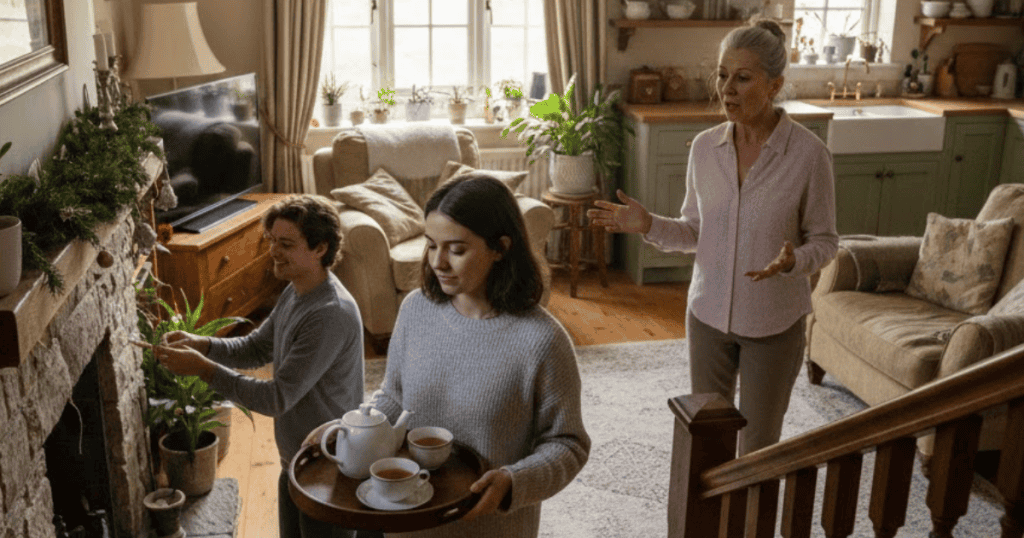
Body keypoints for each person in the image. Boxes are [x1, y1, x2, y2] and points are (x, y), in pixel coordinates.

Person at [588, 19, 838, 456]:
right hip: (706, 318)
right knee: (707, 440)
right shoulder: (705, 148)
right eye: (722, 75)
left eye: (743, 78)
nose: (728, 89)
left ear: (775, 84)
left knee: (757, 448)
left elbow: (826, 241)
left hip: (774, 324)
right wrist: (648, 225)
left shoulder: (809, 155)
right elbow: (694, 232)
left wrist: (793, 261)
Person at [373, 173, 590, 537]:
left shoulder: (542, 340)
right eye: (430, 245)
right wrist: (351, 430)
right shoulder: (415, 310)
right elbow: (394, 397)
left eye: (456, 250)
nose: (438, 262)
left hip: (491, 528)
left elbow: (568, 444)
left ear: (500, 248)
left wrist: (514, 481)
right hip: (409, 520)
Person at [154, 194, 370, 538]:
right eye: (271, 240)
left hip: (329, 465)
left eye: (285, 243)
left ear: (319, 248)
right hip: (299, 459)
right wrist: (203, 344)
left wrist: (202, 369)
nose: (273, 251)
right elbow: (255, 348)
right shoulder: (296, 289)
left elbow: (276, 398)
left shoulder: (329, 313)